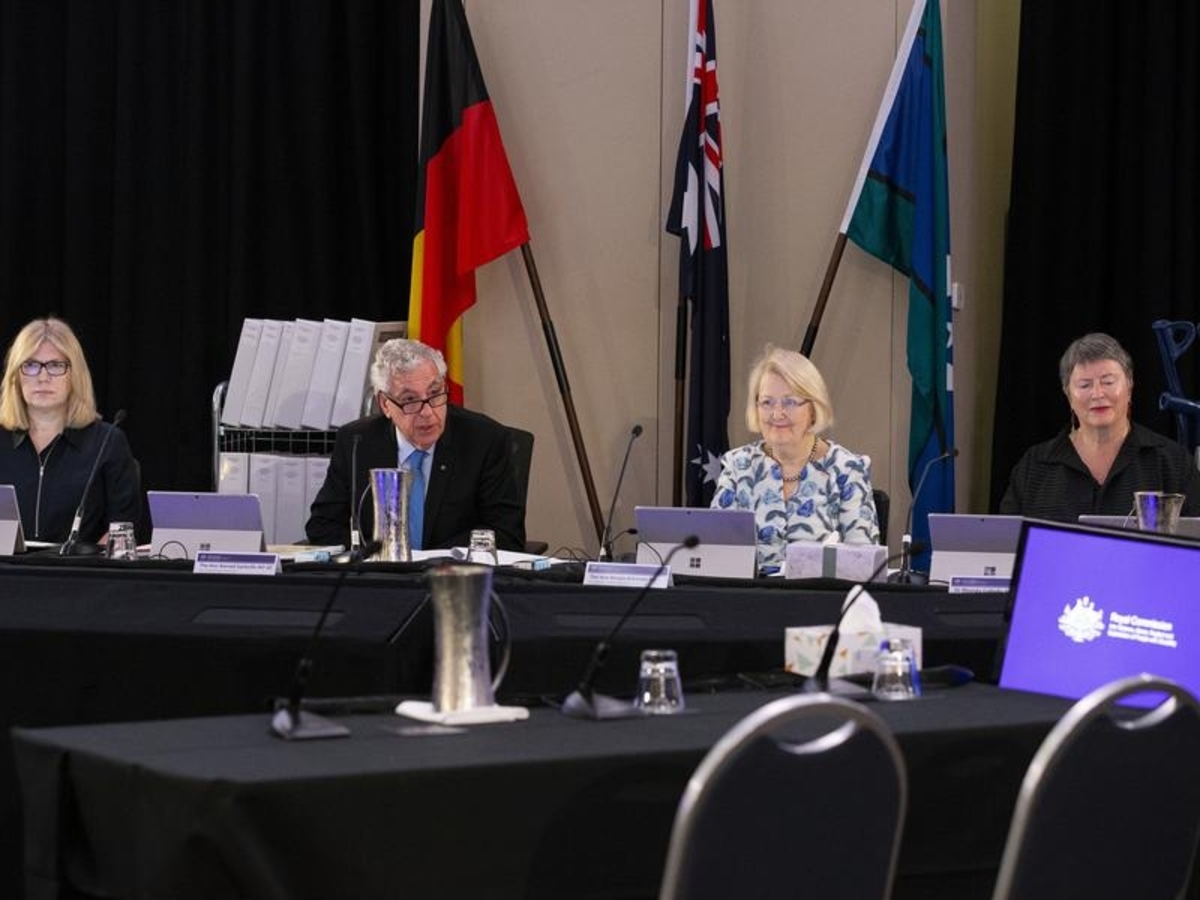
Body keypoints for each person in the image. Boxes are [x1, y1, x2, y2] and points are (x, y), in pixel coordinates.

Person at [306, 338, 526, 552]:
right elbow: (323, 525)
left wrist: (431, 560)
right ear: (385, 404)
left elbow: (506, 533)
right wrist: (375, 557)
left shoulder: (484, 440)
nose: (428, 412)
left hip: (452, 572)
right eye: (410, 400)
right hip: (379, 571)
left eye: (435, 393)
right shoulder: (357, 442)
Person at [711, 345, 879, 572]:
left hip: (822, 593)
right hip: (749, 593)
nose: (777, 414)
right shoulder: (737, 467)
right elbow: (715, 555)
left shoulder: (847, 470)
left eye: (789, 402)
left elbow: (865, 566)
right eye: (767, 402)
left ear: (813, 409)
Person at [1000, 332, 1200, 520]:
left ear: (1129, 387)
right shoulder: (1034, 466)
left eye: (1108, 382)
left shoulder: (1172, 462)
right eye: (1085, 385)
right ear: (1068, 395)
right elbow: (1006, 539)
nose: (1097, 394)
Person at [0, 317, 141, 544]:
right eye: (31, 365)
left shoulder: (107, 442)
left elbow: (123, 529)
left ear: (75, 376)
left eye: (56, 366)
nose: (43, 377)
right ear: (15, 377)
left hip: (82, 566)